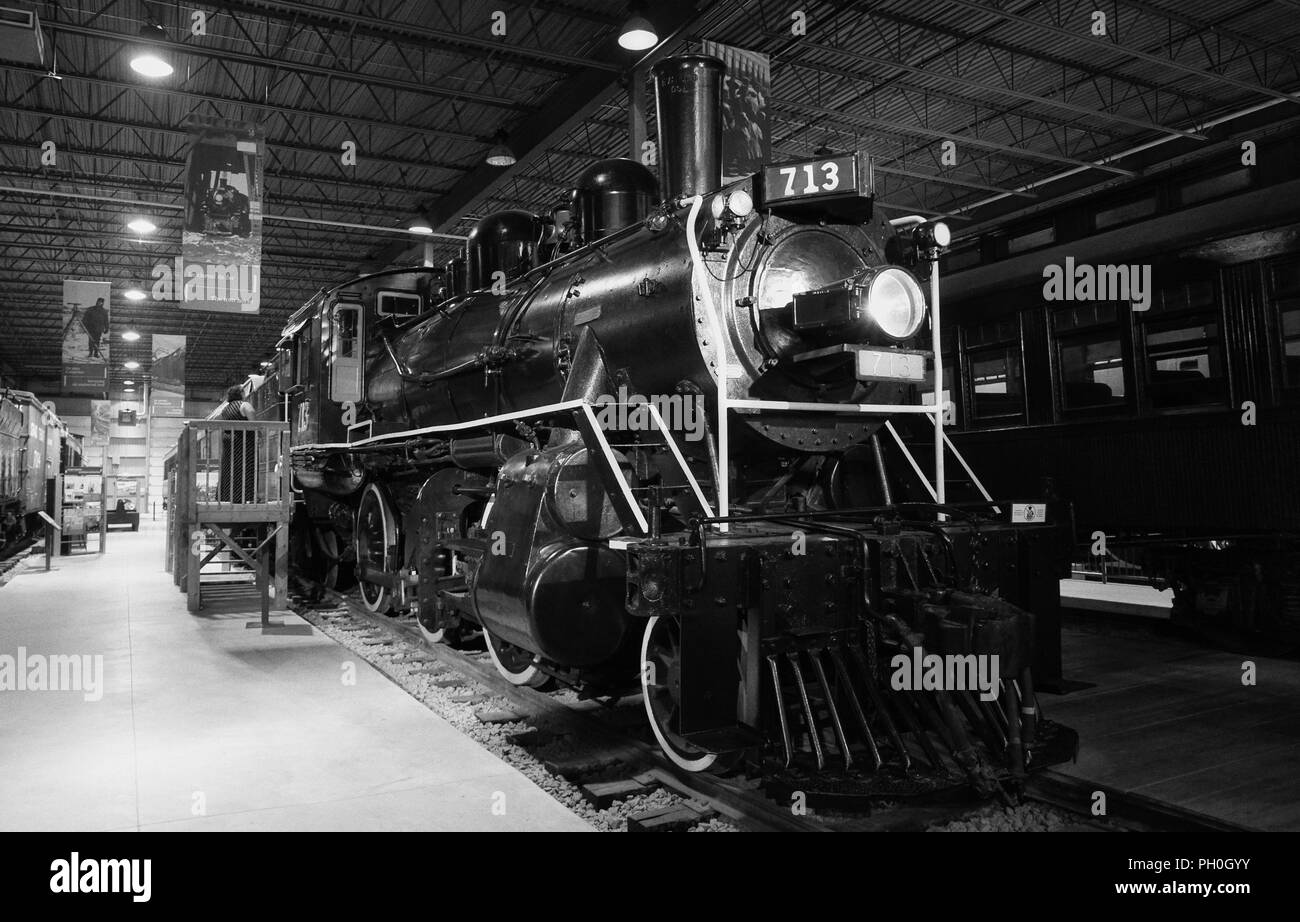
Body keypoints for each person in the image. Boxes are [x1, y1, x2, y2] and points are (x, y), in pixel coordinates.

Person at [208, 385, 258, 503]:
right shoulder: (244, 405)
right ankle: (245, 497)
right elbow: (254, 423)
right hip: (244, 442)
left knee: (229, 469)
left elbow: (215, 420)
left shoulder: (225, 409)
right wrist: (259, 434)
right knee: (246, 468)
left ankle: (227, 496)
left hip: (228, 442)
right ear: (240, 393)